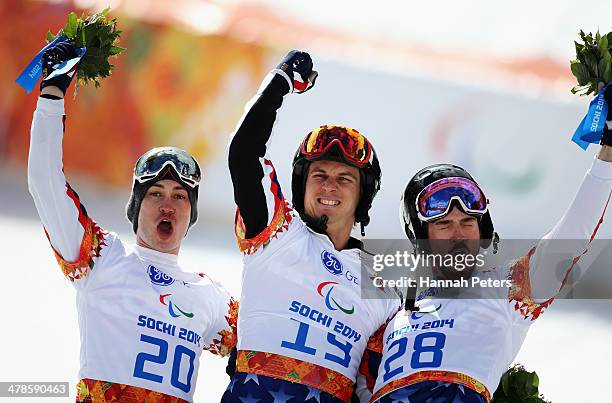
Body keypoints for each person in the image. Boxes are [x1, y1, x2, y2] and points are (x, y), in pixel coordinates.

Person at [28, 40, 238, 402]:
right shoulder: (102, 258)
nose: (167, 205)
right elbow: (45, 184)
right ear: (135, 207)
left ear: (191, 215)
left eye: (180, 196)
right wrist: (51, 93)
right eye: (155, 194)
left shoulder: (211, 297)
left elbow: (275, 335)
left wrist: (369, 273)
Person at [366, 133, 612, 402]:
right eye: (444, 225)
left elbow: (573, 232)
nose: (458, 235)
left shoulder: (509, 292)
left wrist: (609, 147)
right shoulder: (391, 317)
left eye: (468, 223)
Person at [223, 50, 401, 402]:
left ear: (363, 195)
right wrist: (280, 83)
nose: (329, 186)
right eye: (318, 175)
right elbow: (244, 154)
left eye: (344, 179)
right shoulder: (276, 232)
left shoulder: (385, 285)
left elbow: (381, 386)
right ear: (301, 186)